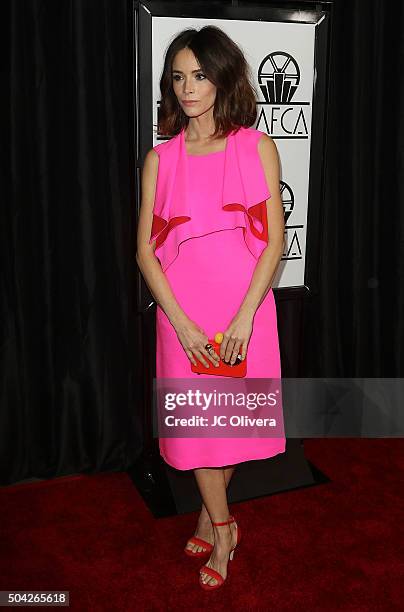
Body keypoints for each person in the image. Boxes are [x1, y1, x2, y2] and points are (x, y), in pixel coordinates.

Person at [136, 25, 286, 590]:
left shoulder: (255, 146)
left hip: (244, 306)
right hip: (182, 314)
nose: (187, 87)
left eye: (199, 74)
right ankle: (225, 528)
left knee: (226, 426)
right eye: (177, 77)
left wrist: (246, 314)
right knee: (199, 426)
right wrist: (179, 322)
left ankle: (206, 511)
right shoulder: (161, 159)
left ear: (224, 78)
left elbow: (273, 241)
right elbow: (144, 252)